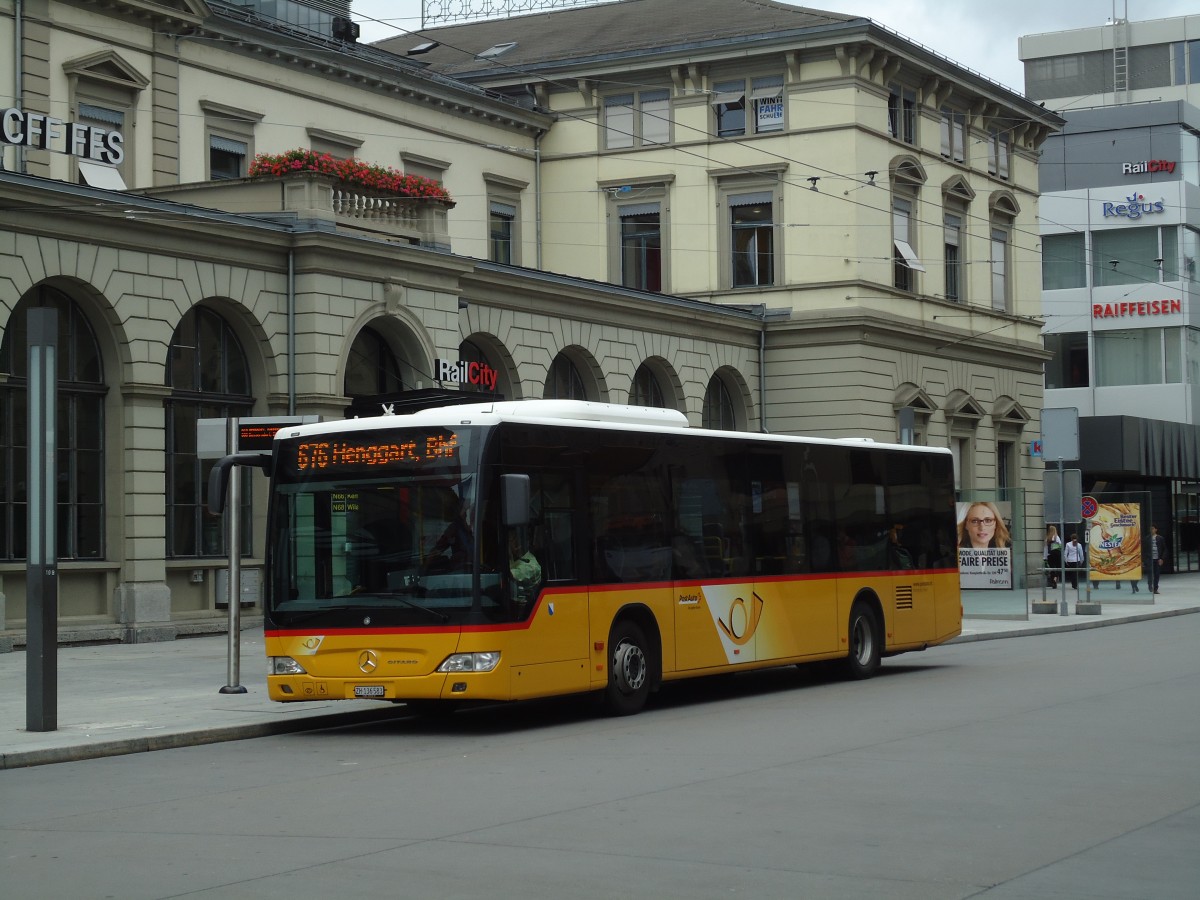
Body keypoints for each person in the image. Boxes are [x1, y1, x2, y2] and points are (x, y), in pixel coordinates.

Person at [508, 530, 542, 607]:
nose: (509, 544)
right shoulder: (514, 559)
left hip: (525, 606)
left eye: (510, 540)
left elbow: (509, 574)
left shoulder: (531, 565)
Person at [1149, 524, 1165, 593]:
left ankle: (1155, 589)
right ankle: (1150, 587)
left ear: (1156, 530)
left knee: (1157, 574)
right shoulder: (1147, 538)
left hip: (1157, 559)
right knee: (1150, 574)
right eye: (1150, 529)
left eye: (1153, 528)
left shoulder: (1160, 538)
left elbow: (1164, 549)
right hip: (1150, 559)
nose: (1151, 530)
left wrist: (1162, 558)